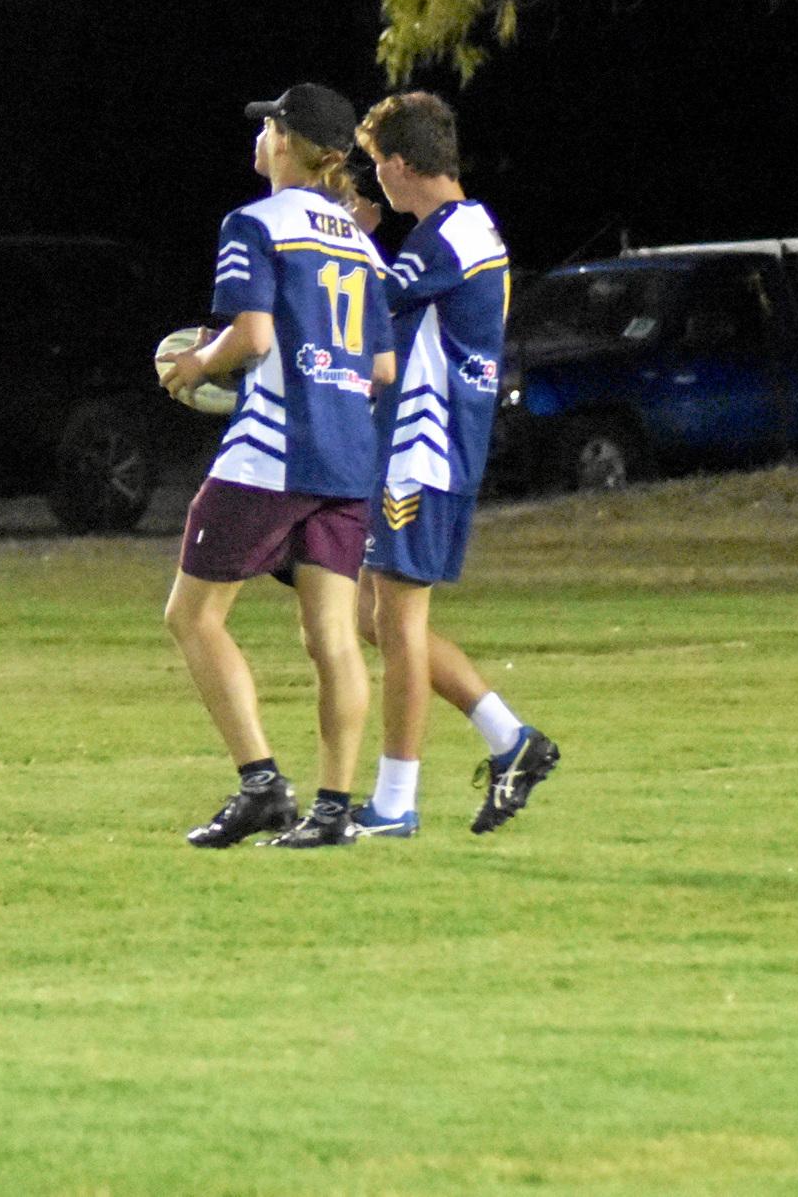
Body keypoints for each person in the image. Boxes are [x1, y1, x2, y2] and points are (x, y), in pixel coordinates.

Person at [159, 83, 397, 848]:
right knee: (331, 633)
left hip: (272, 451)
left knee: (192, 616)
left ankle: (261, 783)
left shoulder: (254, 223)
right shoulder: (363, 243)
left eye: (268, 126)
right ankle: (333, 809)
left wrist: (200, 364)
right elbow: (382, 366)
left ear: (288, 143)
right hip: (347, 455)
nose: (259, 137)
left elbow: (255, 336)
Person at [354, 91, 558, 836]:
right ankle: (511, 739)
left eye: (378, 168)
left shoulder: (447, 240)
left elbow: (370, 307)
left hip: (424, 451)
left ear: (404, 166)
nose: (376, 182)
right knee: (370, 618)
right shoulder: (460, 231)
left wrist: (350, 240)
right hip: (424, 450)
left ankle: (394, 803)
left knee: (397, 623)